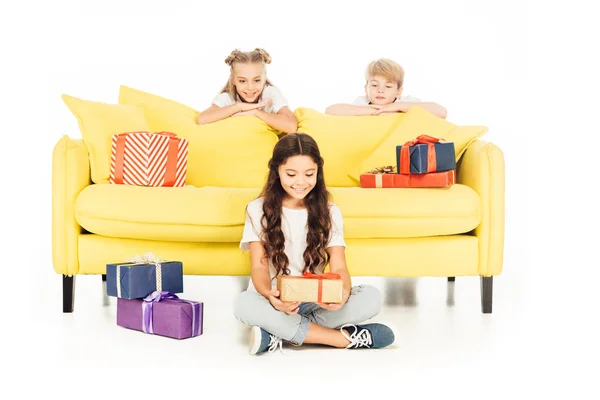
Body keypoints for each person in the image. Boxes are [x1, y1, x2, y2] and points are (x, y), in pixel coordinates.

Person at [234, 132, 395, 355]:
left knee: (371, 297)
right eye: (291, 174)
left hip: (314, 301)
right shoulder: (257, 208)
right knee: (244, 304)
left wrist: (343, 294)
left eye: (309, 174)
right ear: (277, 172)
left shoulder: (330, 211)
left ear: (318, 173)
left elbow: (339, 266)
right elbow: (259, 265)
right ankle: (340, 339)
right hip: (274, 302)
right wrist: (270, 295)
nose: (301, 182)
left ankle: (278, 333)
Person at [196, 48, 297, 133]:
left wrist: (256, 112)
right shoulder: (227, 98)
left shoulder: (270, 94)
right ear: (233, 80)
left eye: (256, 80)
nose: (250, 87)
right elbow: (202, 119)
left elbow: (291, 126)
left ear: (264, 78)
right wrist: (239, 106)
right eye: (242, 81)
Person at [325, 58, 447, 118]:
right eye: (374, 85)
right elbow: (330, 110)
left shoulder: (405, 103)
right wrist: (374, 110)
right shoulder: (362, 103)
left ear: (398, 92)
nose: (380, 90)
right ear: (366, 89)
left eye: (388, 86)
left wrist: (396, 107)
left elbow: (441, 112)